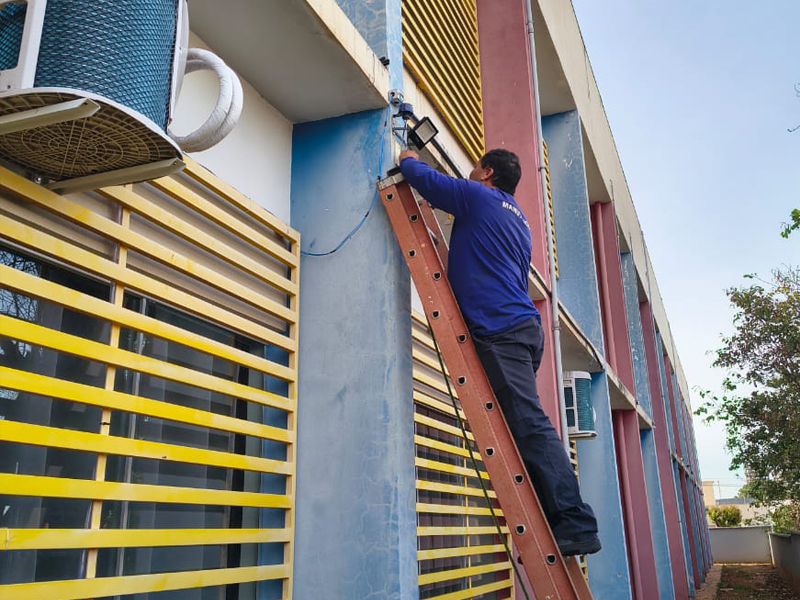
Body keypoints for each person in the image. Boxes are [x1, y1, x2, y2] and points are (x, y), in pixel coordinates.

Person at [399, 147, 601, 556]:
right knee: (521, 425)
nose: (470, 174)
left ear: (487, 172)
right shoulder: (519, 219)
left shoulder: (478, 196)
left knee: (529, 424)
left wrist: (407, 157)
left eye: (475, 168)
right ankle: (556, 516)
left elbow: (427, 182)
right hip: (521, 327)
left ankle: (576, 523)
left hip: (502, 328)